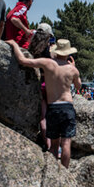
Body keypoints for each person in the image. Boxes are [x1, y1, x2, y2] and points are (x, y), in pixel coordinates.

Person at [6, 39, 81, 168]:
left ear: (56, 51)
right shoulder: (72, 70)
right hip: (67, 107)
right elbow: (78, 86)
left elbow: (23, 61)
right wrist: (73, 67)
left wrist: (14, 45)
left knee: (54, 145)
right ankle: (65, 173)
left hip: (53, 107)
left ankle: (52, 173)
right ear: (68, 54)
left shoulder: (47, 63)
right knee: (66, 143)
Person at [28, 23, 56, 151]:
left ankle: (48, 144)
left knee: (43, 117)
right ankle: (56, 146)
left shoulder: (32, 46)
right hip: (51, 84)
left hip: (40, 83)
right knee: (54, 116)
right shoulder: (51, 49)